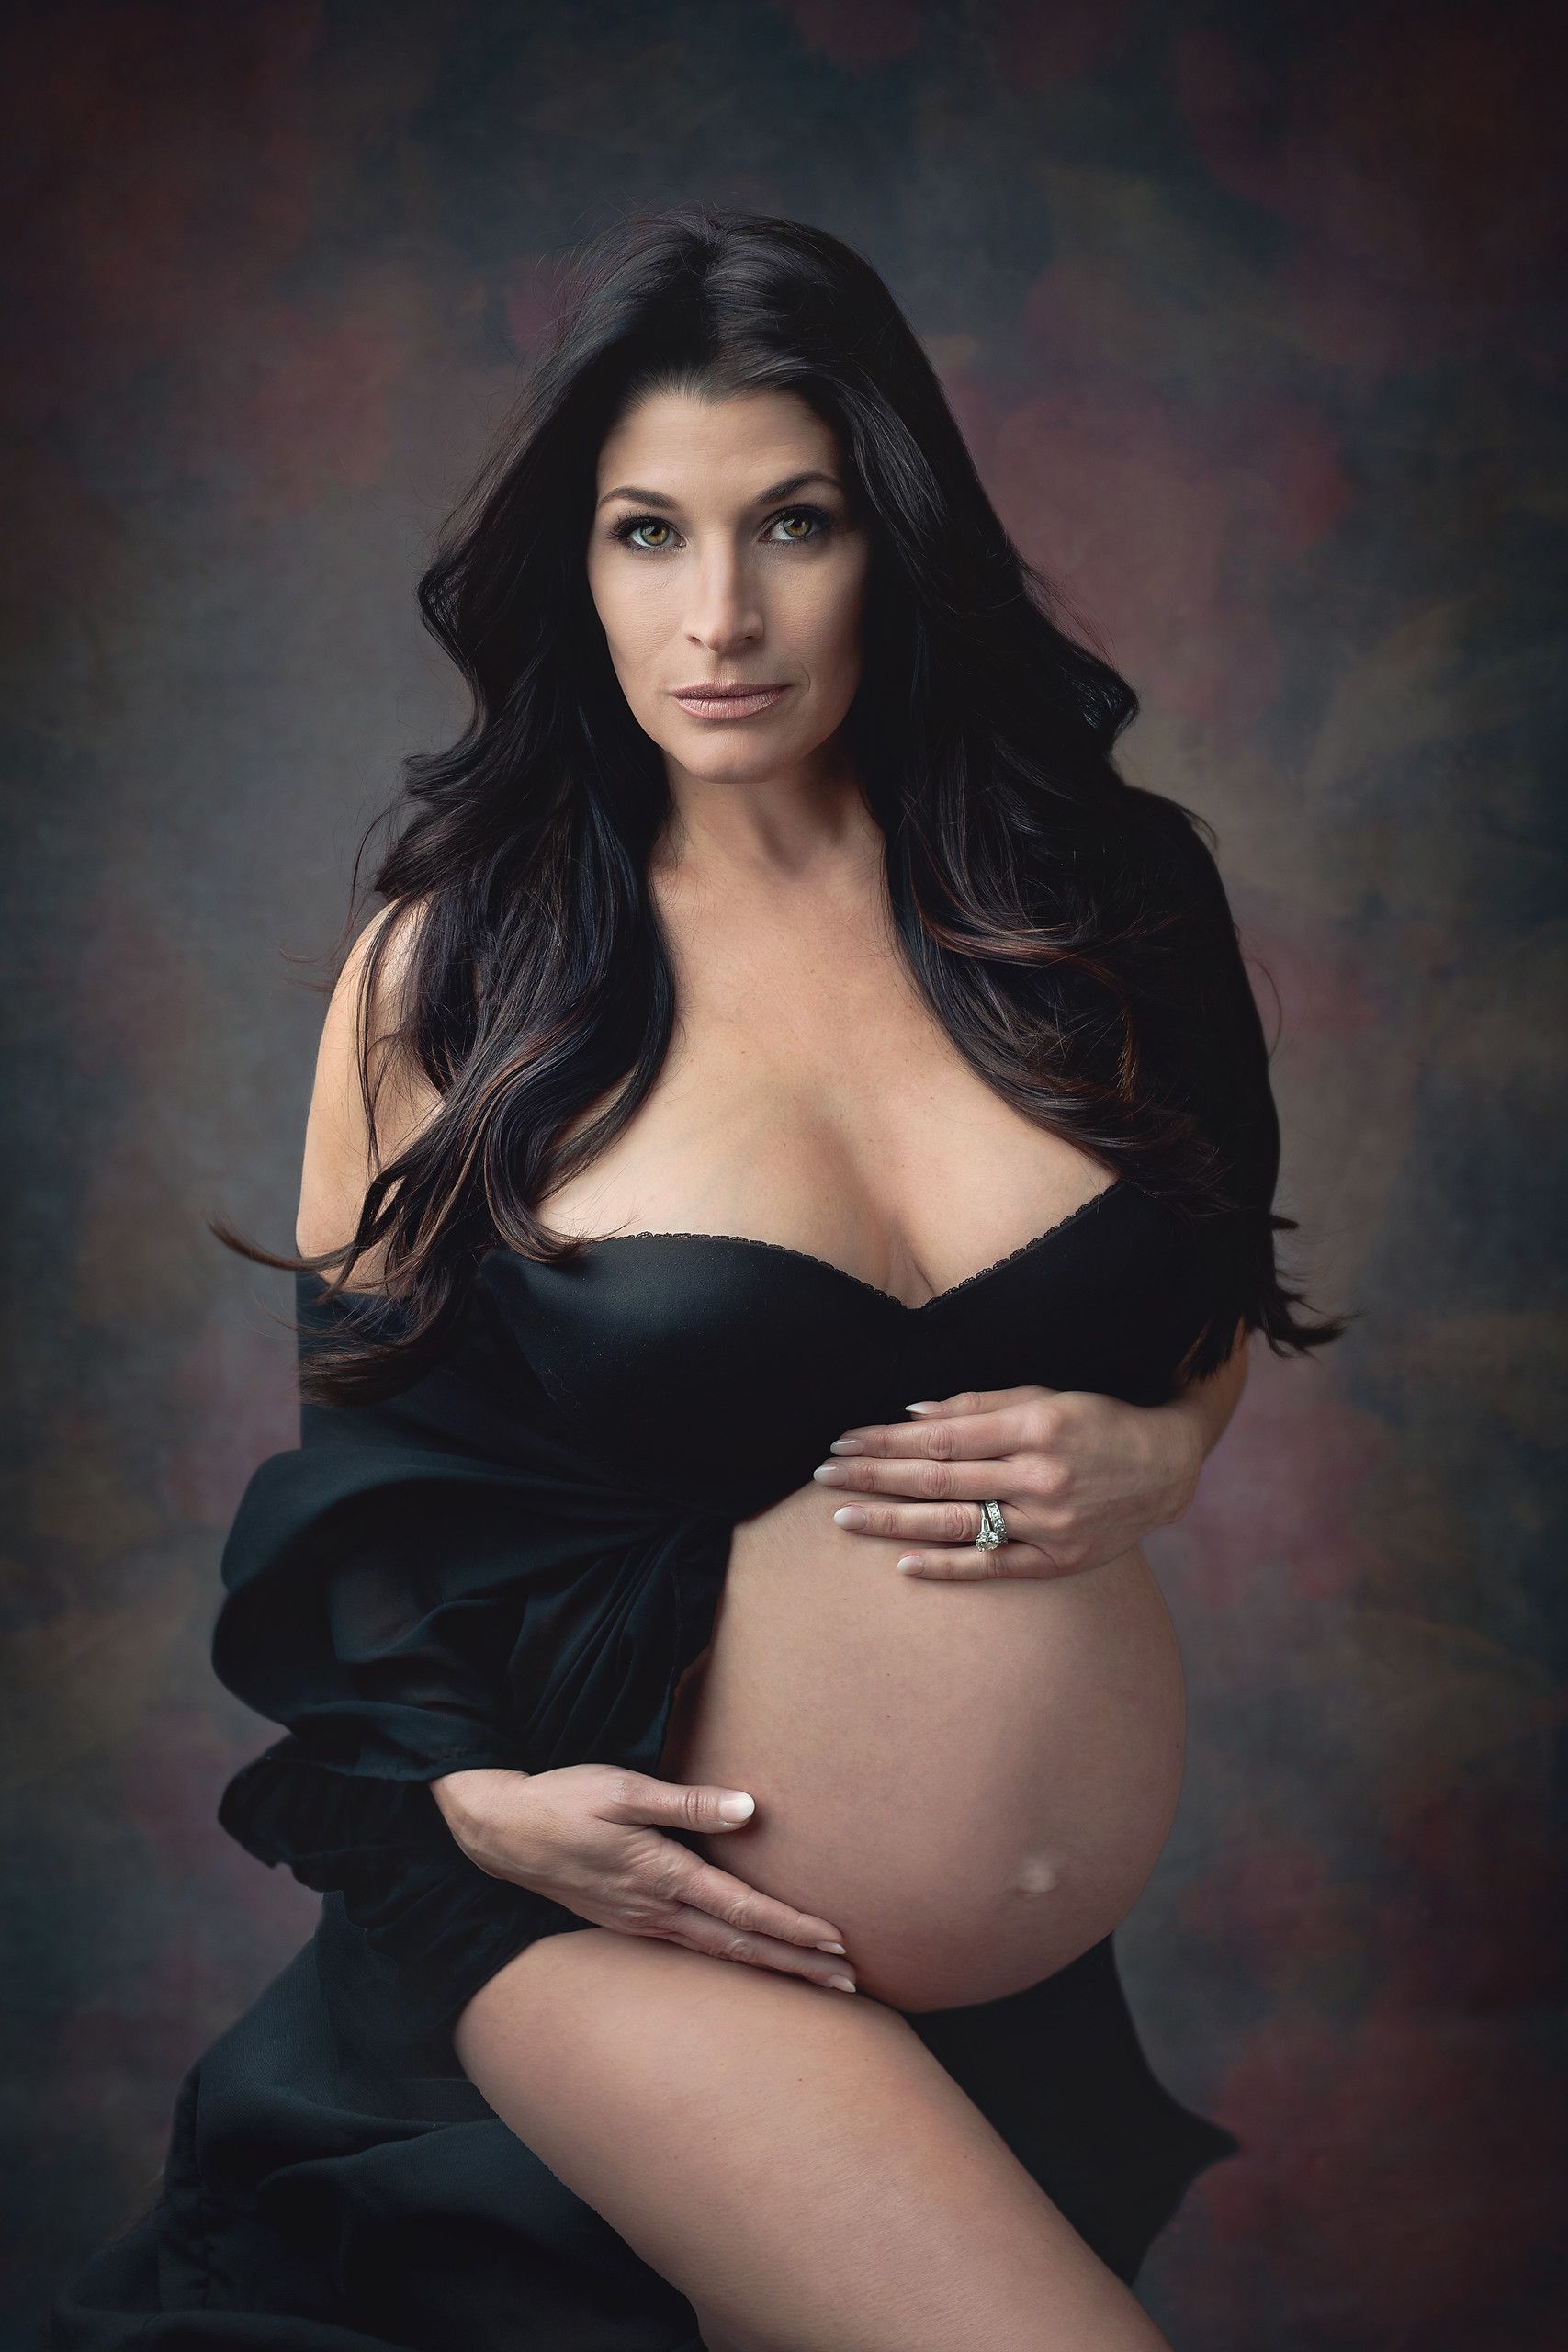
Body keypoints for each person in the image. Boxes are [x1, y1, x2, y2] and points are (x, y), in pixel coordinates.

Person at [42, 206, 1345, 2351]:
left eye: (791, 524)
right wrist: (472, 1794)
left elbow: (1196, 1298)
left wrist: (1162, 1450)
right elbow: (361, 1466)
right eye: (647, 532)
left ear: (890, 539)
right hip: (621, 1901)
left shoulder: (1104, 901)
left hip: (1003, 1977)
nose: (716, 614)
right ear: (576, 559)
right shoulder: (461, 964)